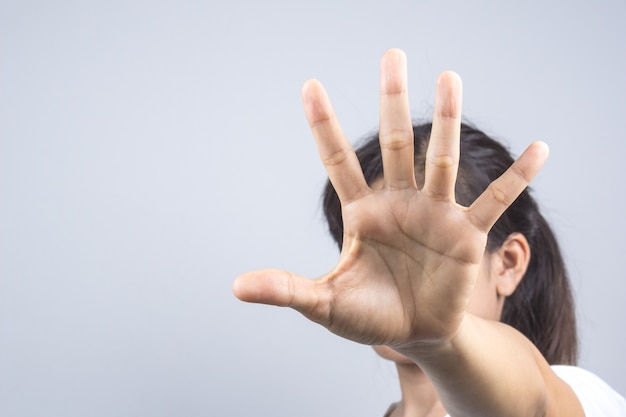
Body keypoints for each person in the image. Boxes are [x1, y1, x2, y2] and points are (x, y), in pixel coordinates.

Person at [232, 49, 626, 417]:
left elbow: (535, 400)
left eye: (427, 246)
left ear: (507, 263)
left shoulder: (580, 397)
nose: (400, 270)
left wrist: (440, 340)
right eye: (377, 244)